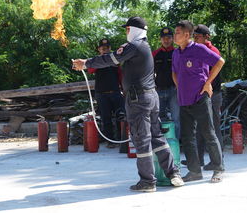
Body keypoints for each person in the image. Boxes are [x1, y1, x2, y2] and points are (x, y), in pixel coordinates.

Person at [73, 16, 184, 192]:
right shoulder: (144, 46)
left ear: (133, 30)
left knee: (142, 140)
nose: (126, 32)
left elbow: (111, 58)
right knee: (157, 136)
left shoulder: (134, 46)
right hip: (151, 97)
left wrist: (86, 63)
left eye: (127, 29)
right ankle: (173, 174)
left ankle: (148, 181)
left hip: (138, 100)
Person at [172, 20, 225, 183]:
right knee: (187, 137)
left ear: (187, 35)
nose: (175, 35)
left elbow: (219, 62)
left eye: (178, 33)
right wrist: (180, 87)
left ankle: (218, 169)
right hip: (184, 100)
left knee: (208, 133)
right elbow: (174, 73)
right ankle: (195, 171)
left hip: (200, 98)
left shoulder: (198, 49)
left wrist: (208, 83)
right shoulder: (175, 53)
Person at [193, 24, 224, 170]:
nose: (195, 39)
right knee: (200, 126)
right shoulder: (197, 51)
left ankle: (218, 160)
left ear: (207, 37)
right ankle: (198, 159)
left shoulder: (212, 51)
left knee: (213, 127)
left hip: (214, 94)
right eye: (194, 36)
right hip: (202, 94)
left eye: (198, 36)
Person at [87, 38, 125, 148]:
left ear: (110, 48)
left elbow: (120, 76)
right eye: (103, 48)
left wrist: (123, 89)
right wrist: (99, 61)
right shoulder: (96, 61)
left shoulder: (115, 60)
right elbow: (90, 70)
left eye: (107, 48)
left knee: (120, 116)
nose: (105, 50)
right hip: (101, 93)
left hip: (115, 92)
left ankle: (121, 140)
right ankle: (110, 141)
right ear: (99, 49)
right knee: (106, 118)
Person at [152, 27, 180, 139]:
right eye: (164, 38)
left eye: (168, 38)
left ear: (172, 39)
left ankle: (177, 142)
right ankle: (162, 144)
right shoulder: (155, 54)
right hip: (158, 90)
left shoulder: (178, 52)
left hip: (174, 90)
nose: (166, 40)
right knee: (159, 118)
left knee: (176, 117)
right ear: (160, 39)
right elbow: (149, 72)